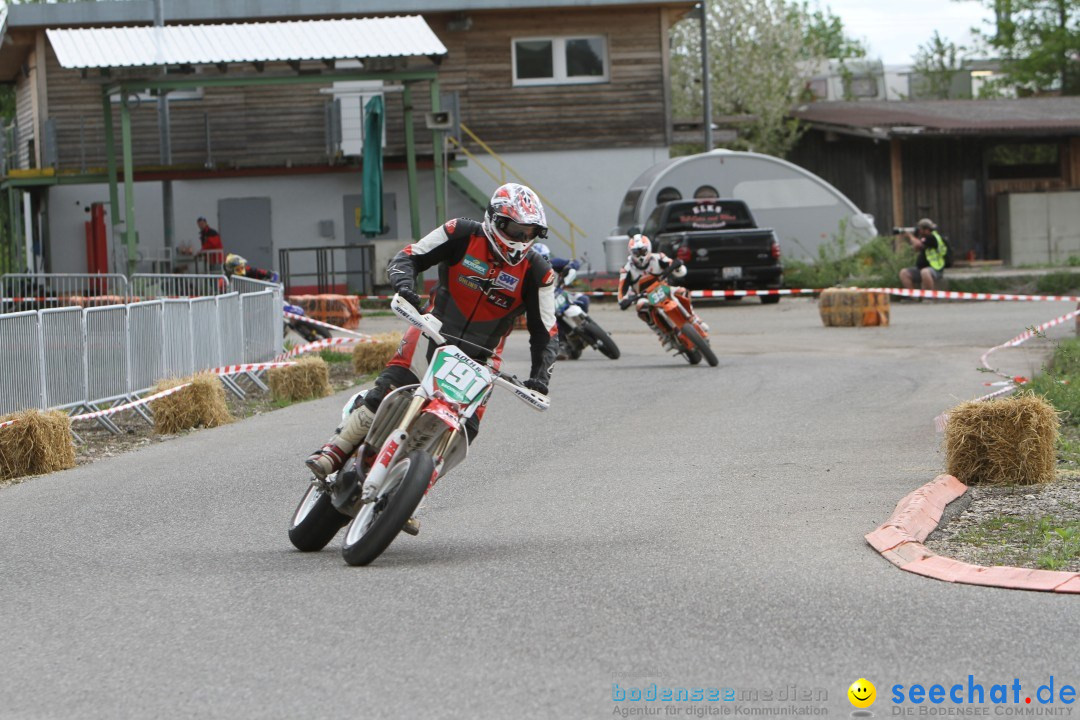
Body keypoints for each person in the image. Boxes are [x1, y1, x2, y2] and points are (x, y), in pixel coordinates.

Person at [305, 182, 559, 480]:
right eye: (516, 230)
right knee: (388, 391)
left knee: (467, 430)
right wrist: (404, 287)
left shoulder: (539, 271)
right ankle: (334, 449)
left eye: (529, 233)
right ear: (495, 219)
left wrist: (540, 377)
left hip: (481, 360)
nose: (521, 239)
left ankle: (412, 490)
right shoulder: (460, 232)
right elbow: (409, 257)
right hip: (433, 332)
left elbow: (546, 331)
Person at [617, 233, 706, 332]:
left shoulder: (659, 257)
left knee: (682, 291)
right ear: (631, 253)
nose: (640, 256)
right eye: (636, 253)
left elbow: (675, 266)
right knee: (641, 306)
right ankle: (659, 332)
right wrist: (625, 300)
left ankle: (693, 317)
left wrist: (677, 266)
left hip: (664, 288)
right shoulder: (626, 270)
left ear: (649, 249)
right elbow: (621, 293)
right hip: (645, 296)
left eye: (643, 251)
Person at [898, 218, 948, 292]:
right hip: (921, 269)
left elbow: (918, 244)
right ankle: (912, 296)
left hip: (935, 269)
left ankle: (928, 297)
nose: (919, 231)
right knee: (904, 273)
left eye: (920, 229)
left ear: (926, 229)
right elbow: (916, 248)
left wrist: (910, 236)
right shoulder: (924, 238)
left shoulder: (932, 237)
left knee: (925, 272)